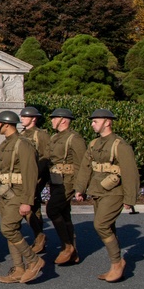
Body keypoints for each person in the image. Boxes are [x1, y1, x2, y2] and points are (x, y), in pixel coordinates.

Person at [75, 109, 139, 282]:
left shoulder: (120, 145)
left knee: (101, 225)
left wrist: (129, 199)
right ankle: (115, 264)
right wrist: (80, 188)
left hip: (114, 192)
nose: (92, 124)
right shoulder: (94, 143)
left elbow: (130, 172)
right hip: (97, 190)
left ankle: (117, 263)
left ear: (107, 122)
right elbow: (85, 167)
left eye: (95, 121)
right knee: (108, 227)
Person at [0, 111, 44, 284]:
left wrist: (27, 201)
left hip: (19, 193)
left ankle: (34, 261)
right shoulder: (5, 144)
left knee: (8, 228)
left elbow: (31, 174)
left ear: (6, 124)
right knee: (11, 232)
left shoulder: (23, 145)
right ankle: (18, 269)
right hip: (5, 193)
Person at [47, 108, 86, 265]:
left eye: (54, 118)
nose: (51, 121)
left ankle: (67, 246)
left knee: (52, 209)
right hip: (56, 180)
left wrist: (80, 188)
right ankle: (73, 252)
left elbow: (82, 164)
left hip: (68, 181)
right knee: (64, 214)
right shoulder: (55, 137)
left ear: (63, 120)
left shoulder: (74, 138)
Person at [19, 106, 52, 254]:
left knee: (31, 207)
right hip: (22, 176)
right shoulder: (22, 134)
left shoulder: (41, 135)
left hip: (36, 175)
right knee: (28, 208)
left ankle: (39, 237)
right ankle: (39, 237)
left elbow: (47, 156)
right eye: (22, 116)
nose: (22, 119)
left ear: (34, 118)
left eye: (25, 117)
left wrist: (38, 173)